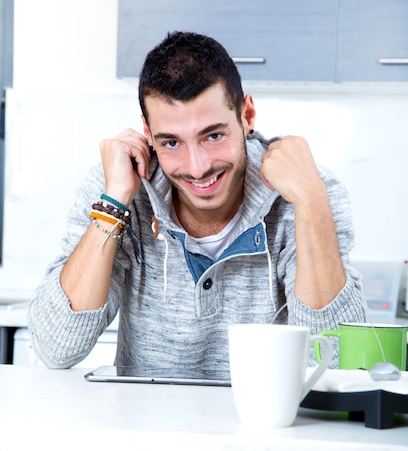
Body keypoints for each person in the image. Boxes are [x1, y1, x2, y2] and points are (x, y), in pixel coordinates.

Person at [28, 31, 367, 375]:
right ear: (147, 132)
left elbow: (337, 362)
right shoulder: (120, 189)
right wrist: (114, 203)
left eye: (214, 135)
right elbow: (56, 348)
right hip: (143, 427)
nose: (197, 167)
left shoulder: (306, 190)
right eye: (172, 142)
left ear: (247, 115)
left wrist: (310, 200)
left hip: (269, 425)